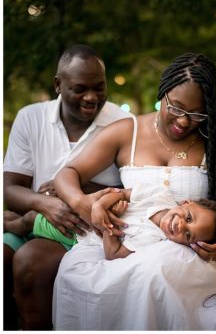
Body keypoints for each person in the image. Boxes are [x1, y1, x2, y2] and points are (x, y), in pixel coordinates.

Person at [52, 53, 216, 330]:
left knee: (154, 272)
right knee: (74, 272)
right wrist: (83, 203)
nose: (184, 121)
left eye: (197, 114)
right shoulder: (128, 131)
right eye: (175, 108)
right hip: (130, 238)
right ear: (162, 93)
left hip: (187, 251)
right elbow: (68, 174)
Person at [3, 44, 129, 329]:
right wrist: (46, 203)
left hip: (81, 230)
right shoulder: (31, 118)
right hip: (35, 218)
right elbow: (10, 189)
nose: (91, 98)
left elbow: (129, 188)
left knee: (30, 262)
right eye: (80, 88)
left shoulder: (123, 123)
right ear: (58, 85)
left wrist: (70, 190)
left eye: (99, 88)